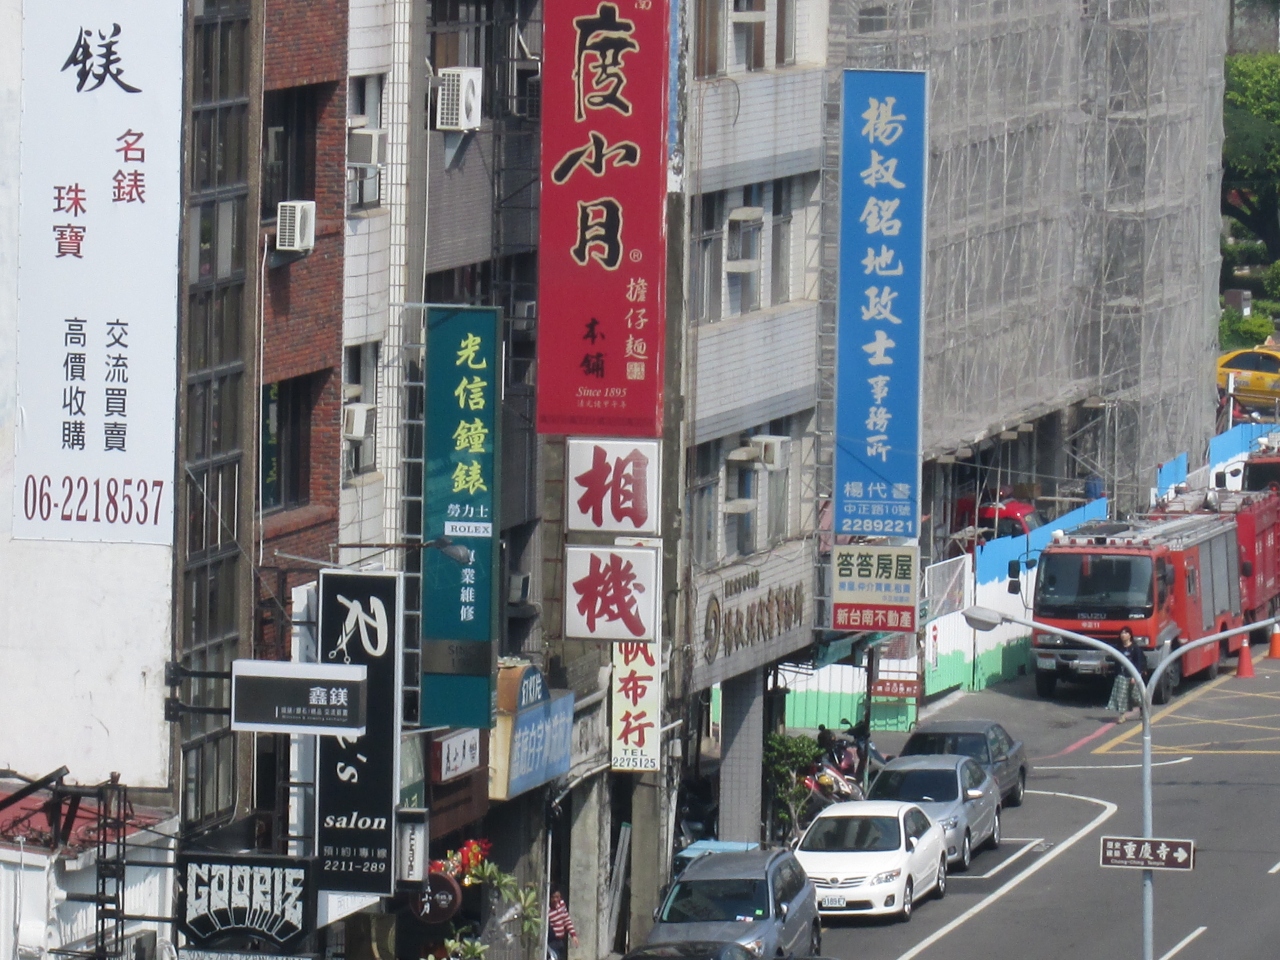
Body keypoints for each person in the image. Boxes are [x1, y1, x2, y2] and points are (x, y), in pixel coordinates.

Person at [1107, 627, 1148, 723]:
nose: (1123, 635)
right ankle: (1122, 716)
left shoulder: (1135, 648)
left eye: (1125, 633)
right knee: (1121, 697)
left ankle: (1142, 710)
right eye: (1122, 633)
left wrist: (1136, 676)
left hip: (1133, 675)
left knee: (1136, 696)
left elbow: (1139, 662)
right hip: (1121, 675)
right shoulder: (1118, 648)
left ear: (1130, 635)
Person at [547, 889, 578, 960]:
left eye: (557, 897)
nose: (555, 900)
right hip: (551, 941)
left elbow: (566, 919)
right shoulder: (547, 909)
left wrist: (573, 935)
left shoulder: (561, 904)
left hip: (560, 941)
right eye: (553, 897)